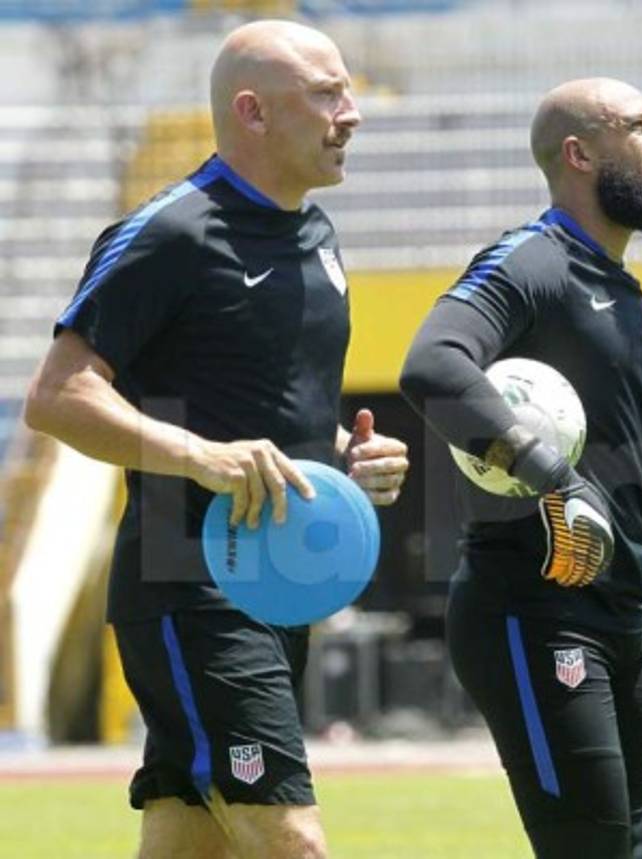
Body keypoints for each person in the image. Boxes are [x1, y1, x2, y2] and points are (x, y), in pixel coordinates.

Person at [23, 20, 408, 859]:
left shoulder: (317, 237)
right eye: (326, 93)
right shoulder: (172, 232)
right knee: (290, 841)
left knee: (193, 839)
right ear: (253, 112)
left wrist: (347, 458)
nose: (352, 113)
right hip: (190, 586)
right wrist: (202, 455)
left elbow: (276, 407)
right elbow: (57, 397)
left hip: (278, 586)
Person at [399, 78, 642, 859]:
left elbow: (624, 484)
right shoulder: (532, 261)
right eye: (640, 126)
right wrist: (549, 473)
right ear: (579, 153)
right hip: (530, 610)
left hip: (622, 614)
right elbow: (433, 364)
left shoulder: (629, 296)